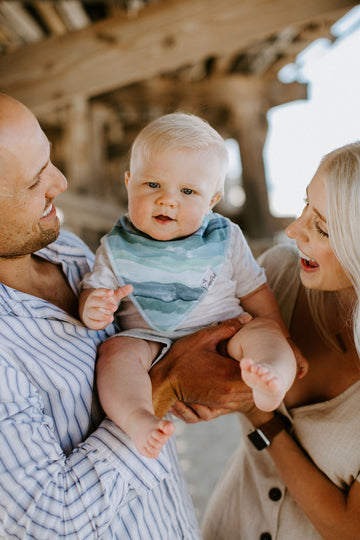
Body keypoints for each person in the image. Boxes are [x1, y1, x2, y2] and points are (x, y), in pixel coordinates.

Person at [0, 93, 256, 539]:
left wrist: (202, 375)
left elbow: (149, 345)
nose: (59, 182)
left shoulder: (72, 252)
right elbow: (48, 521)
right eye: (33, 181)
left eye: (50, 160)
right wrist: (166, 385)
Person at [78, 112, 298, 458]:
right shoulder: (117, 245)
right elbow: (95, 291)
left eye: (188, 191)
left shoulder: (224, 237)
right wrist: (93, 308)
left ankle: (272, 380)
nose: (168, 200)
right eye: (152, 185)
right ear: (128, 181)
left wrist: (282, 338)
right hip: (150, 343)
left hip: (226, 332)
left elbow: (255, 292)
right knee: (114, 354)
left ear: (212, 199)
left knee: (264, 332)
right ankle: (137, 418)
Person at [200, 141, 360, 540]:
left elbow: (348, 528)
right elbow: (196, 352)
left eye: (321, 226)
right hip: (225, 527)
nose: (292, 230)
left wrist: (261, 420)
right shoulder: (278, 276)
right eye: (305, 205)